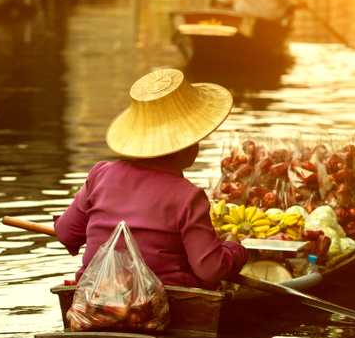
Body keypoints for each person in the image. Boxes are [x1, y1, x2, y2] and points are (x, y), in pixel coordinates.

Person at [53, 67, 248, 289]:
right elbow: (210, 269)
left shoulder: (100, 174)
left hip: (96, 294)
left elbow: (66, 233)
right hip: (161, 298)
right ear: (185, 148)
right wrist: (235, 249)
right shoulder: (188, 196)